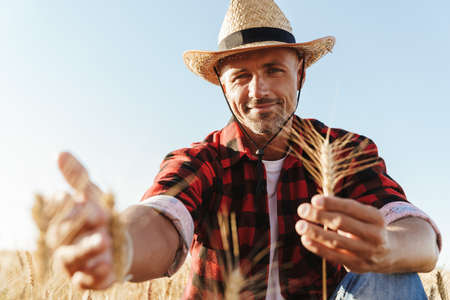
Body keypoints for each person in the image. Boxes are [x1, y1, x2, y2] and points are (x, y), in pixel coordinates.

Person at [48, 0, 441, 299]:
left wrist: (388, 245)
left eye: (274, 69)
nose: (259, 91)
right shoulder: (202, 159)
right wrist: (121, 242)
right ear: (222, 85)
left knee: (392, 275)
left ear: (300, 73)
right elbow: (163, 217)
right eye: (241, 76)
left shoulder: (341, 150)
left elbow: (418, 237)